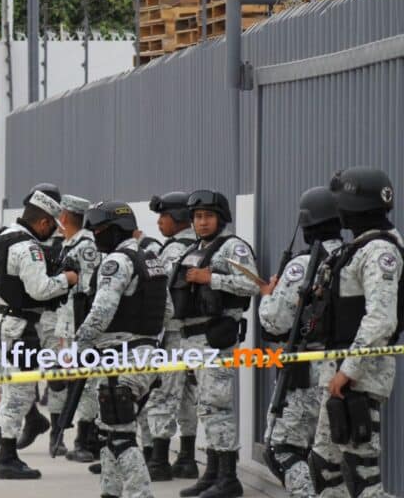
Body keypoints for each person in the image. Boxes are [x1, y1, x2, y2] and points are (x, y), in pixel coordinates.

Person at [308, 167, 401, 498]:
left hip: (360, 375)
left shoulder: (380, 251)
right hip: (341, 372)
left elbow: (380, 319)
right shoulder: (359, 247)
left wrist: (348, 371)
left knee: (363, 476)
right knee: (323, 465)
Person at [0, 183, 73, 479]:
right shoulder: (28, 248)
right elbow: (40, 288)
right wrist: (67, 279)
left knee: (12, 387)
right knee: (18, 393)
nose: (53, 233)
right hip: (20, 329)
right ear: (43, 222)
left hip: (0, 323)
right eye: (52, 227)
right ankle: (6, 458)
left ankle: (16, 444)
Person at [171, 190, 260, 498]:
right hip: (193, 339)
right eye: (197, 217)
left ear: (220, 218)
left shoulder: (233, 247)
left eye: (208, 216)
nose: (202, 222)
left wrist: (212, 278)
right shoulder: (195, 248)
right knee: (205, 408)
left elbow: (253, 285)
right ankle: (211, 473)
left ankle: (229, 478)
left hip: (215, 337)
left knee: (217, 407)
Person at [76, 200, 168, 498]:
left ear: (116, 230)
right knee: (109, 432)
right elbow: (168, 311)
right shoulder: (150, 259)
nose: (96, 235)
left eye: (100, 230)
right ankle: (110, 492)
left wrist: (78, 346)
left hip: (120, 360)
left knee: (120, 439)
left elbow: (101, 312)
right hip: (145, 356)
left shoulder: (116, 262)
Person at [257, 186, 343, 497]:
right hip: (347, 370)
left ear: (306, 224)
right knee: (330, 456)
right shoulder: (352, 256)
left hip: (304, 373)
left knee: (281, 450)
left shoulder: (302, 265)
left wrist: (267, 296)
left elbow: (274, 321)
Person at [143, 191, 200, 481]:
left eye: (163, 216)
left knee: (162, 395)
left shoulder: (171, 251)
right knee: (189, 396)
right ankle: (188, 459)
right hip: (197, 336)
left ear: (177, 217)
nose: (159, 222)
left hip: (173, 335)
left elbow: (160, 296)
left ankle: (159, 461)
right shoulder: (204, 245)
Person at [50, 194, 103, 462]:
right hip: (66, 325)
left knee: (87, 383)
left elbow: (90, 289)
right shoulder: (68, 244)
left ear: (65, 217)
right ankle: (71, 433)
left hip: (80, 325)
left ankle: (85, 438)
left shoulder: (86, 246)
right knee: (68, 381)